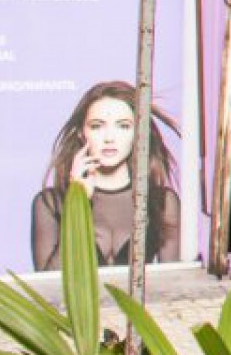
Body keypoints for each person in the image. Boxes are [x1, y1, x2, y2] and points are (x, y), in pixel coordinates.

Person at [31, 80, 182, 270]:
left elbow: (174, 284)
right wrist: (77, 203)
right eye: (97, 126)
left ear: (139, 134)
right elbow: (49, 286)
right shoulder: (50, 203)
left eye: (123, 126)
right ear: (81, 133)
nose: (109, 138)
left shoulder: (163, 202)